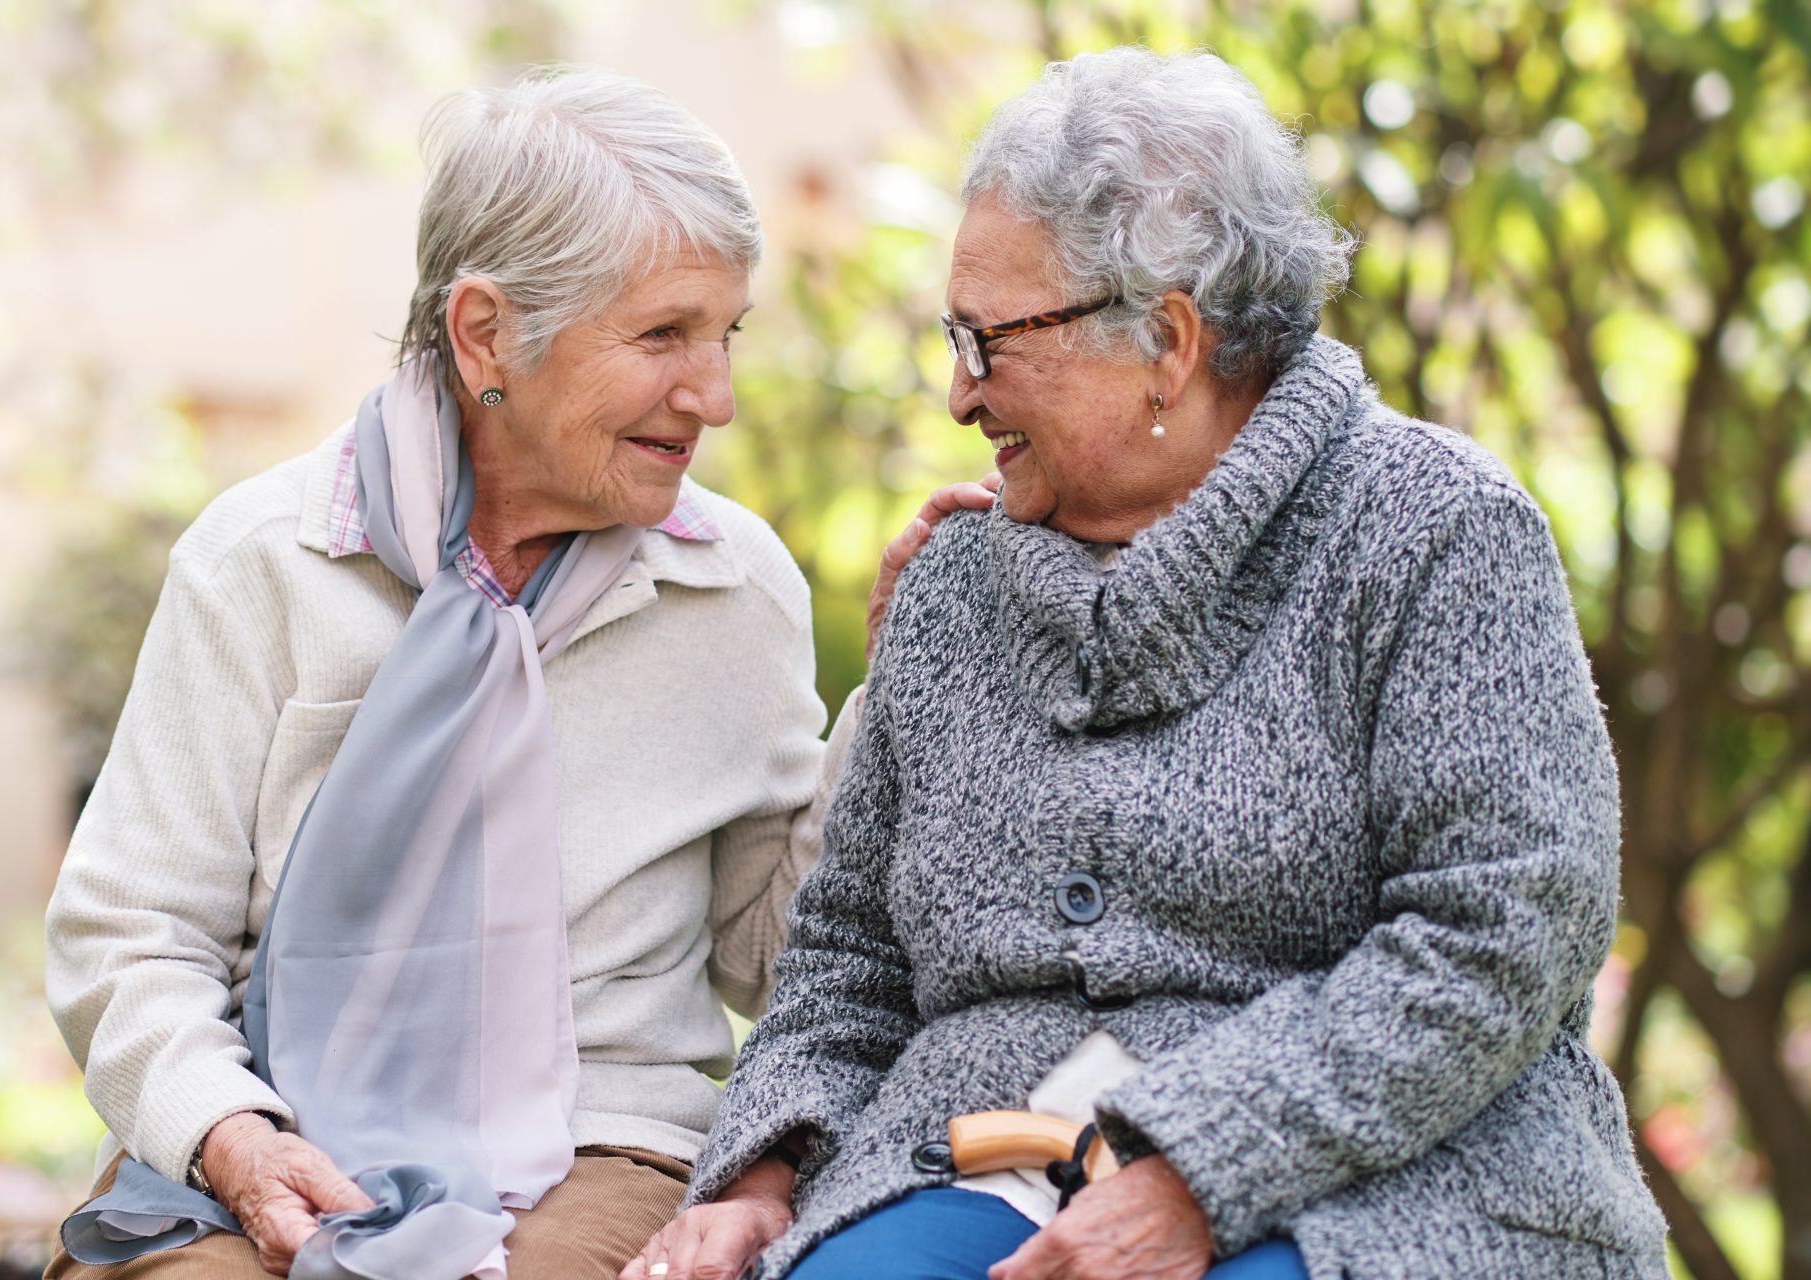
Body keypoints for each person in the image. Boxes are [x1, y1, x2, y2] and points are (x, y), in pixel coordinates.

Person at [630, 47, 1670, 1280]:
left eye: (987, 341)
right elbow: (850, 951)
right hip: (970, 1149)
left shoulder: (1437, 532)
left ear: (1167, 342)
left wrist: (1199, 1165)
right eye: (949, 338)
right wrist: (758, 1179)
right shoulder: (957, 582)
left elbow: (1498, 933)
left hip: (1367, 1167)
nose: (959, 393)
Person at [40, 67, 990, 1280]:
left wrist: (896, 690)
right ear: (487, 332)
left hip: (604, 1142)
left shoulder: (732, 588)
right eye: (662, 335)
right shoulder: (261, 563)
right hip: (270, 1127)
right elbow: (131, 931)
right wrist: (232, 1135)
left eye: (724, 333)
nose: (716, 395)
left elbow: (775, 954)